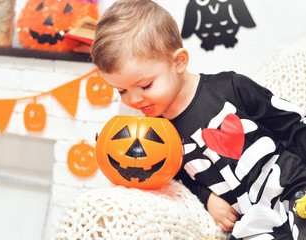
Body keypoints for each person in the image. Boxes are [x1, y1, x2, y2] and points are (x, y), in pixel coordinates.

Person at [90, 0, 306, 239]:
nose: (134, 100)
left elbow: (292, 125)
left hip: (295, 188)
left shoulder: (230, 88)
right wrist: (208, 199)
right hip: (254, 223)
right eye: (122, 91)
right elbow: (178, 177)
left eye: (145, 85)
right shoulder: (159, 134)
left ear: (179, 61)